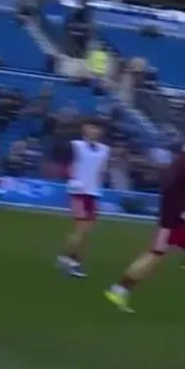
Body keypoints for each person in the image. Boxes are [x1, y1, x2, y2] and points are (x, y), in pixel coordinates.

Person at [103, 128, 185, 315]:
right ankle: (120, 289)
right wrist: (180, 212)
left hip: (179, 220)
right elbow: (167, 187)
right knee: (156, 255)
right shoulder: (182, 163)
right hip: (174, 221)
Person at [54, 117, 111, 278]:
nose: (94, 131)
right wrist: (72, 178)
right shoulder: (75, 145)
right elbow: (66, 165)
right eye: (91, 127)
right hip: (78, 191)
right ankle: (64, 257)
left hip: (93, 192)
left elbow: (102, 170)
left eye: (97, 128)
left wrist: (100, 183)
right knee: (81, 228)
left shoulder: (105, 149)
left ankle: (75, 262)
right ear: (84, 129)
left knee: (86, 232)